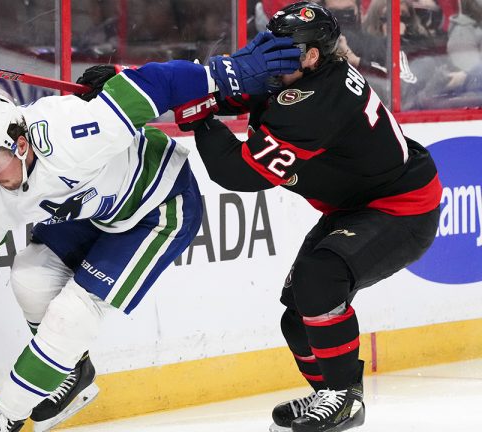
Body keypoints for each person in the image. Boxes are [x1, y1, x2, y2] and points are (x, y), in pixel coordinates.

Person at [0, 36, 302, 431]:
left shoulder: (71, 132)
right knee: (29, 277)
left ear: (20, 144)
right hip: (95, 210)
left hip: (158, 205)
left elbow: (159, 84)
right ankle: (71, 373)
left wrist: (226, 72)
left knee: (73, 315)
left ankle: (5, 416)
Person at [181, 3, 441, 431]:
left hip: (403, 207)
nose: (270, 52)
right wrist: (126, 84)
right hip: (357, 202)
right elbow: (226, 88)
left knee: (319, 279)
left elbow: (238, 171)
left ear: (313, 55)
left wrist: (203, 119)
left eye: (284, 48)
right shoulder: (299, 73)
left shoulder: (316, 101)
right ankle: (332, 394)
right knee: (298, 316)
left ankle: (343, 398)